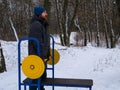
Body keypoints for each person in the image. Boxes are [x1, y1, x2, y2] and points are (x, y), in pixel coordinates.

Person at [28, 6, 50, 90]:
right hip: (36, 56)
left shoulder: (41, 24)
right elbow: (37, 42)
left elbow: (43, 40)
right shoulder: (36, 25)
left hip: (40, 55)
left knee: (42, 76)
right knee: (35, 77)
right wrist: (42, 55)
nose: (46, 14)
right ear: (39, 14)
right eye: (44, 12)